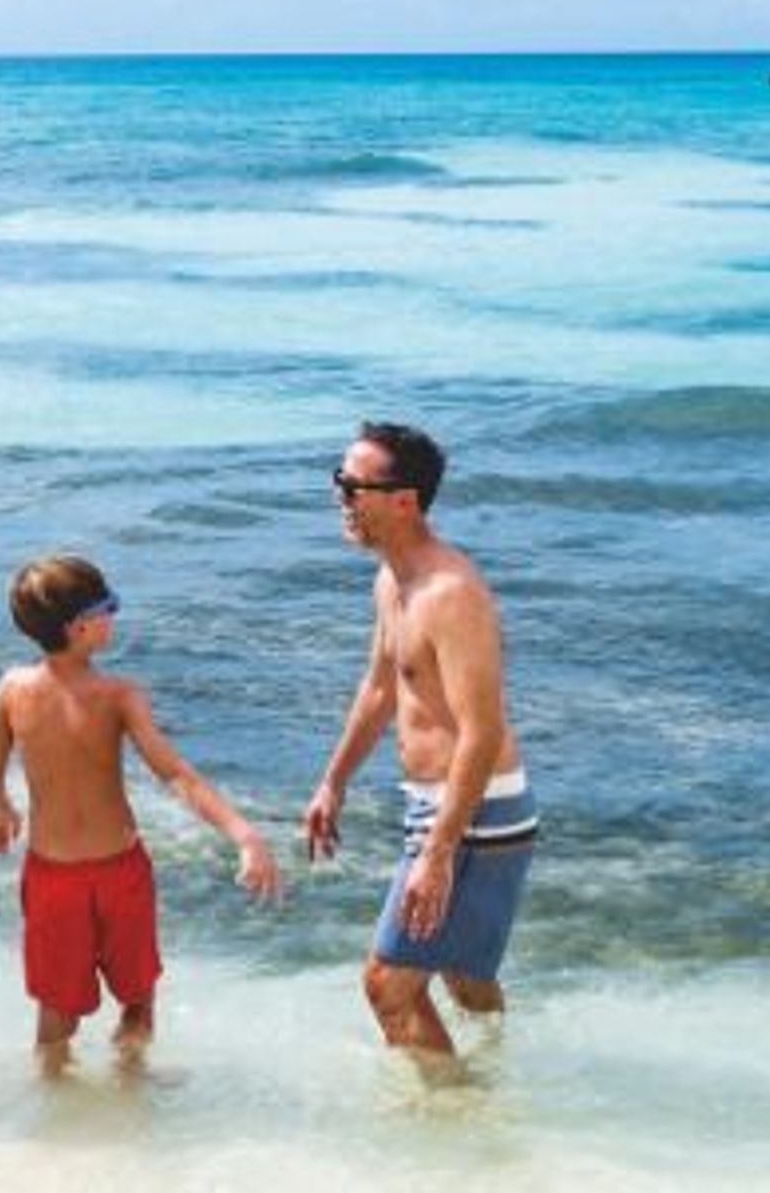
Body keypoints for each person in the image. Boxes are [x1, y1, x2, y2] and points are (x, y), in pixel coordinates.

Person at [0, 553, 282, 1073]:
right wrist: (244, 834)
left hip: (51, 875)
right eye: (109, 607)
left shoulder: (11, 688)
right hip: (119, 871)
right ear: (80, 627)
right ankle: (132, 1093)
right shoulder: (119, 695)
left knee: (56, 1012)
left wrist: (0, 810)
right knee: (137, 998)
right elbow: (176, 774)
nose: (115, 616)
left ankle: (55, 1106)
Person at [300, 421, 536, 1068]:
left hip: (476, 813)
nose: (340, 497)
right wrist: (333, 781)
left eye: (354, 485)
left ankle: (456, 1124)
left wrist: (438, 850)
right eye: (338, 481)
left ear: (404, 500)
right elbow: (381, 688)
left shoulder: (450, 594)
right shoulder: (391, 580)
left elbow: (480, 730)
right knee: (463, 974)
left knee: (389, 983)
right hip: (450, 807)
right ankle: (504, 1078)